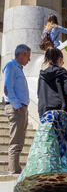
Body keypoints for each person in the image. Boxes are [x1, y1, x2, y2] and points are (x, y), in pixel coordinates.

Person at [2, 44, 31, 174]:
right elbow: (7, 88)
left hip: (21, 108)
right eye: (28, 57)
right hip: (16, 108)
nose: (29, 60)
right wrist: (17, 106)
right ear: (22, 54)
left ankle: (16, 168)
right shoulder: (11, 66)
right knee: (16, 140)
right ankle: (13, 170)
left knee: (19, 140)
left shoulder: (18, 68)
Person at [37, 48, 67, 118]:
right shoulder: (62, 72)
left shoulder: (41, 76)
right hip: (60, 110)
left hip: (44, 111)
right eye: (63, 61)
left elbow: (39, 94)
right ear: (60, 59)